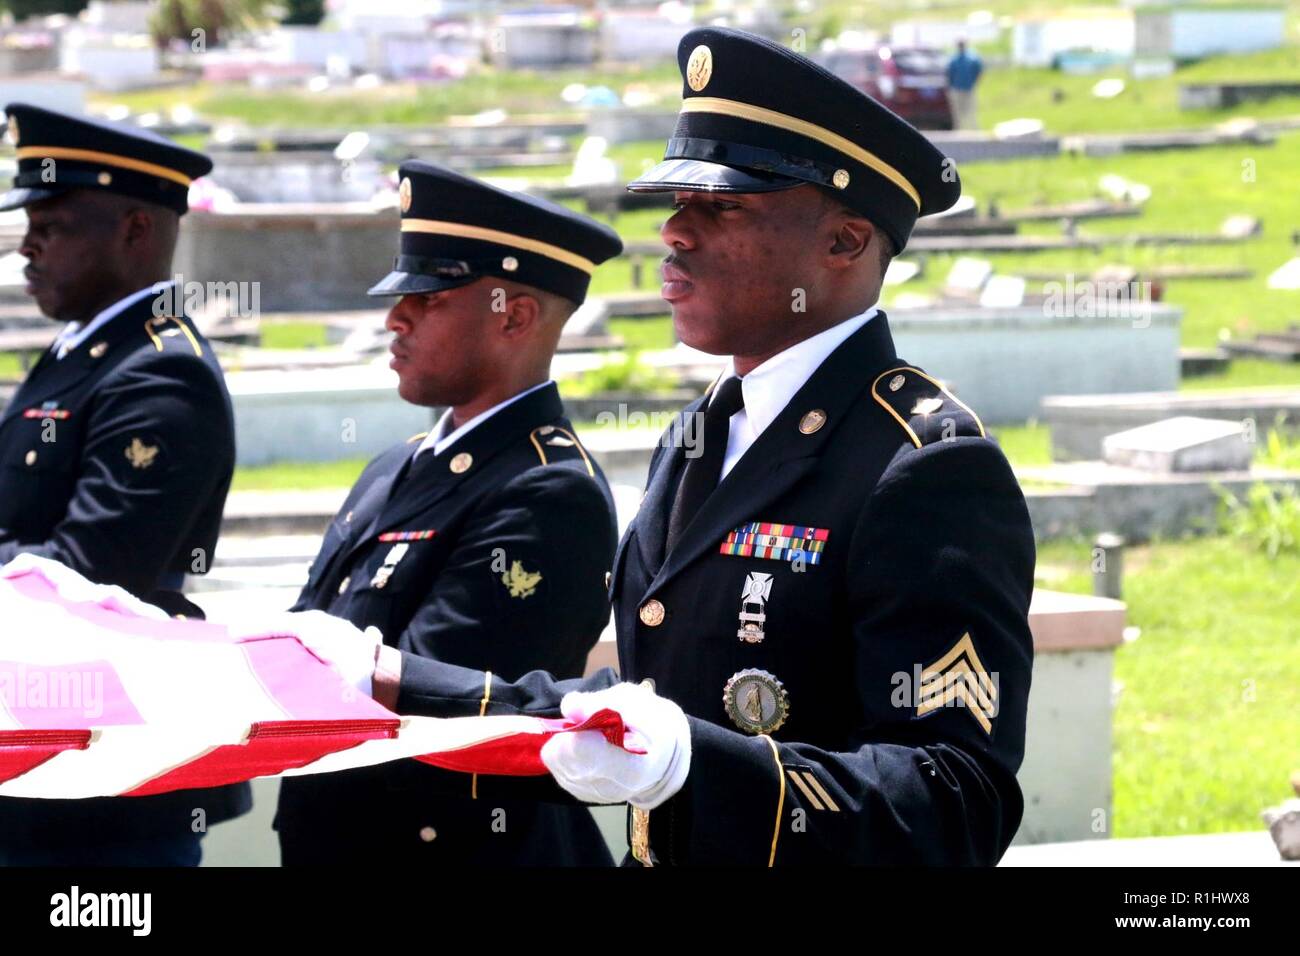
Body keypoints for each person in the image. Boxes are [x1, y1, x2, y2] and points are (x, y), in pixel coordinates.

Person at [301, 26, 1035, 867]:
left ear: (844, 242)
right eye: (677, 205)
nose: (675, 235)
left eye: (718, 206)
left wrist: (697, 765)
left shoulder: (924, 465)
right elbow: (644, 712)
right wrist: (392, 677)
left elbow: (954, 799)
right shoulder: (700, 437)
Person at [273, 162, 624, 866]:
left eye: (429, 298)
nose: (395, 317)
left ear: (515, 315)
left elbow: (438, 702)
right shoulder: (394, 467)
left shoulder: (549, 491)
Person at [0, 103, 249, 865]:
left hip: (102, 791)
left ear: (136, 230)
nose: (27, 247)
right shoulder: (81, 353)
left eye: (54, 224)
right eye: (27, 224)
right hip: (42, 763)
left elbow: (86, 580)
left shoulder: (160, 373)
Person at [946, 39, 983, 130]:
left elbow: (978, 71)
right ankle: (958, 129)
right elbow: (949, 74)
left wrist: (974, 82)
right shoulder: (954, 59)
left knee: (971, 110)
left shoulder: (972, 58)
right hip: (956, 88)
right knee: (957, 112)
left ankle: (973, 129)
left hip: (968, 88)